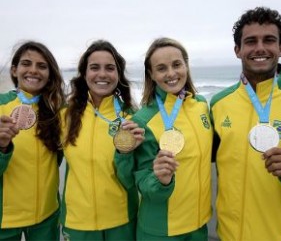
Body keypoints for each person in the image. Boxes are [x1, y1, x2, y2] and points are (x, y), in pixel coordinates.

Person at [210, 7, 281, 241]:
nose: (260, 48)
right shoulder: (218, 103)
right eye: (251, 41)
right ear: (238, 50)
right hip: (228, 234)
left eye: (269, 40)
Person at [123, 37, 213, 240]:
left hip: (199, 224)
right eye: (161, 68)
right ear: (152, 75)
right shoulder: (142, 120)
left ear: (186, 66)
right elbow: (138, 180)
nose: (171, 73)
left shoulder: (200, 105)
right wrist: (159, 181)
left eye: (177, 64)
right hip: (161, 230)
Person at [61, 39, 144, 241]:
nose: (102, 74)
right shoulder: (64, 116)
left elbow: (134, 178)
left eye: (110, 68)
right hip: (78, 222)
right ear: (84, 74)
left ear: (118, 74)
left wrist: (127, 152)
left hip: (122, 220)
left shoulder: (133, 118)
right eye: (94, 67)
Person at [0, 41, 65, 240]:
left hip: (46, 215)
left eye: (42, 66)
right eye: (26, 63)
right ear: (14, 70)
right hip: (5, 219)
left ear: (50, 73)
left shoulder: (59, 111)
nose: (34, 71)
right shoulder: (2, 105)